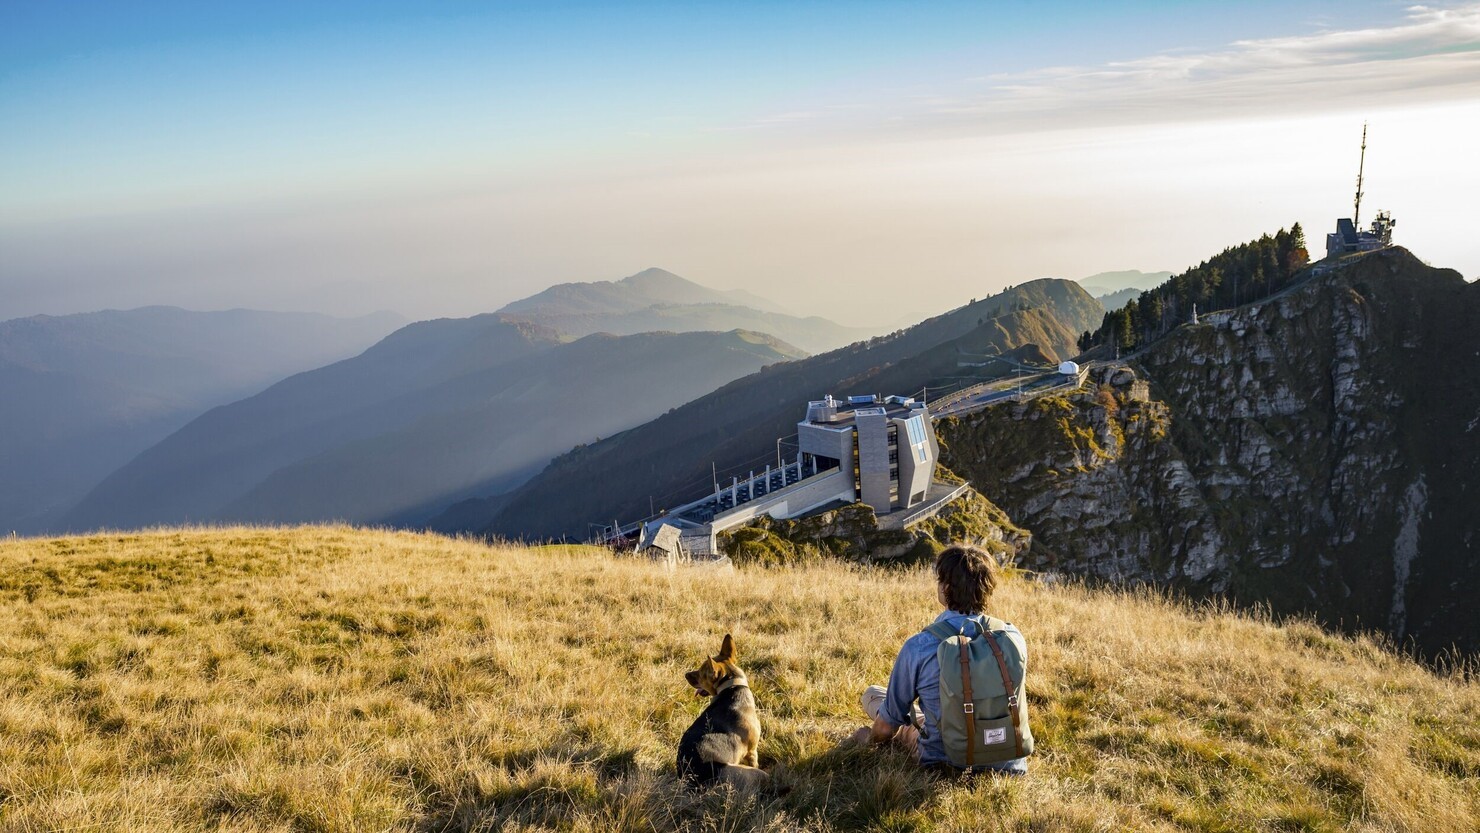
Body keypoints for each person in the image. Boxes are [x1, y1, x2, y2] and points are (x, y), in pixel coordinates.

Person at [851, 544, 1029, 775]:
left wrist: (870, 742)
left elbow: (886, 726)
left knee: (873, 695)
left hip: (944, 761)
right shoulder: (1012, 638)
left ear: (945, 588)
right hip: (1006, 761)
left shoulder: (921, 645)